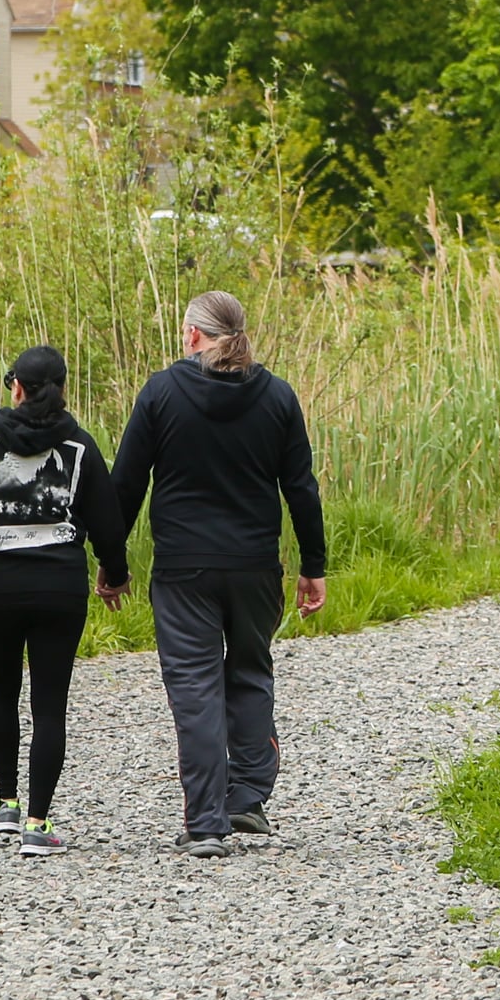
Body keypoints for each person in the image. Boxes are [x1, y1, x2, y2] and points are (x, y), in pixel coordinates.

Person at [107, 290, 327, 854]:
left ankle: (206, 823)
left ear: (192, 336)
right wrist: (313, 565)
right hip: (255, 566)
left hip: (183, 569)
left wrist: (112, 564)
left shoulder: (161, 394)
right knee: (250, 670)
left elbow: (127, 484)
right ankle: (247, 798)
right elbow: (299, 487)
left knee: (195, 689)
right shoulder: (277, 396)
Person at [0, 344, 127, 858]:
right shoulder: (79, 447)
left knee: (1, 692)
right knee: (50, 708)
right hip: (60, 589)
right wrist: (116, 573)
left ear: (17, 387)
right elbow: (108, 523)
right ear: (62, 388)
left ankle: (4, 802)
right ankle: (38, 824)